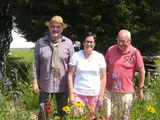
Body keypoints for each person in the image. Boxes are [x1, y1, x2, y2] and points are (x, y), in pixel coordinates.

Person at [32, 15, 74, 119]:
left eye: (58, 27)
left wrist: (72, 85)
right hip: (45, 84)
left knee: (63, 113)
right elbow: (35, 64)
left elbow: (73, 66)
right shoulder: (40, 43)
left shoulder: (68, 43)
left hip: (63, 84)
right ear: (49, 27)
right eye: (52, 26)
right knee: (43, 113)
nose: (55, 29)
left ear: (62, 28)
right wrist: (35, 82)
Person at [104, 29, 145, 119]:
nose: (120, 43)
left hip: (125, 91)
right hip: (109, 89)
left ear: (129, 41)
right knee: (107, 116)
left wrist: (140, 88)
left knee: (122, 117)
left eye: (123, 41)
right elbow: (105, 68)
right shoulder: (111, 49)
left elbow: (142, 71)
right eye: (118, 40)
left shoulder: (135, 53)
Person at [68, 32, 106, 115]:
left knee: (92, 116)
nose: (89, 44)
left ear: (94, 44)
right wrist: (71, 94)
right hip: (78, 93)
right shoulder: (76, 56)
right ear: (83, 42)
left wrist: (101, 96)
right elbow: (70, 76)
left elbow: (103, 78)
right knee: (77, 116)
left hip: (94, 93)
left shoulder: (100, 57)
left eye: (91, 42)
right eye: (87, 41)